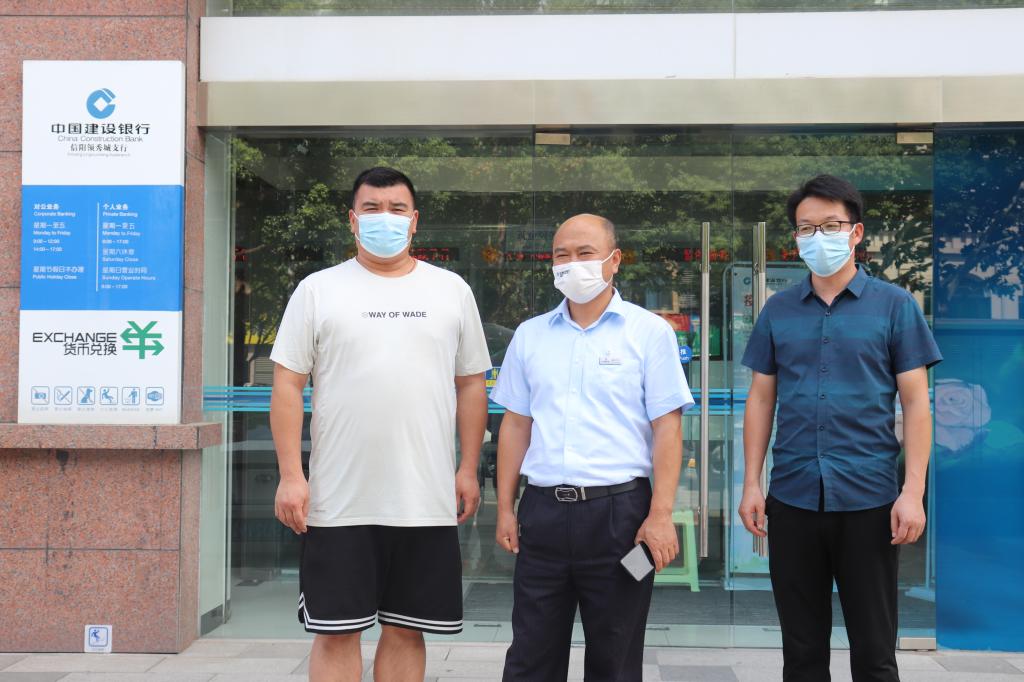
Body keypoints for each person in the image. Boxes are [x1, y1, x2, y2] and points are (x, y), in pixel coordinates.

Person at [269, 167, 491, 682]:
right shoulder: (318, 289)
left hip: (425, 497)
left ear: (414, 221)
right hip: (339, 499)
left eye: (396, 209)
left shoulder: (451, 290)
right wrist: (291, 475)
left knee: (407, 629)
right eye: (371, 208)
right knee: (336, 631)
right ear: (352, 220)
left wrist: (467, 468)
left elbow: (471, 385)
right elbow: (287, 385)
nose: (383, 218)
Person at [739, 174, 942, 682]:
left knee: (874, 651)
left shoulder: (894, 305)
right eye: (807, 228)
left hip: (869, 500)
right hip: (793, 496)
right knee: (801, 652)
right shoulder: (778, 310)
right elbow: (761, 398)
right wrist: (751, 484)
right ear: (796, 237)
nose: (818, 237)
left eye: (831, 225)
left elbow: (916, 404)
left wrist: (912, 492)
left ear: (856, 232)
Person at [490, 213, 694, 681]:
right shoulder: (530, 335)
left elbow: (667, 428)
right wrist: (504, 507)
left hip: (621, 517)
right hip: (542, 513)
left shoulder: (649, 332)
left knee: (616, 656)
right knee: (530, 655)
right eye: (562, 255)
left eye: (585, 253)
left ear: (614, 259)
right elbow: (516, 425)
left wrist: (660, 514)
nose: (573, 263)